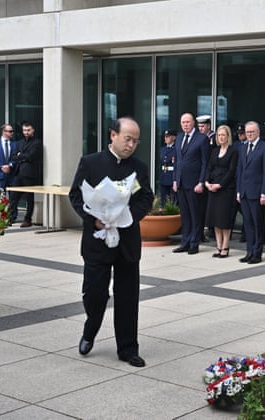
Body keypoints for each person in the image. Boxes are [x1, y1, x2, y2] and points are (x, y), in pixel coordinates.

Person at [68, 116, 154, 367]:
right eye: (128, 139)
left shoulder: (139, 167)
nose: (131, 145)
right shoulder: (90, 163)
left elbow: (145, 198)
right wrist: (92, 218)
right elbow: (75, 195)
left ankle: (128, 348)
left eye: (136, 141)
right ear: (112, 135)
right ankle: (90, 328)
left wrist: (126, 216)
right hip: (97, 241)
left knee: (127, 297)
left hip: (127, 241)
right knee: (94, 294)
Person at [236, 121, 265, 264]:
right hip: (244, 192)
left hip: (257, 193)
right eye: (247, 132)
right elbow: (240, 170)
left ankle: (257, 253)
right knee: (248, 224)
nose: (249, 135)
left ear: (258, 132)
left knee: (258, 224)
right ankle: (249, 251)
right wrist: (239, 191)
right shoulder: (242, 147)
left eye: (252, 132)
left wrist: (264, 192)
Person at [172, 113, 209, 254]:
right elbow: (177, 162)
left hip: (194, 184)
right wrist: (175, 179)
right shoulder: (179, 137)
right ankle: (185, 242)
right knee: (185, 215)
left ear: (193, 123)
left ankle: (194, 243)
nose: (185, 124)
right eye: (183, 122)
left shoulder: (202, 139)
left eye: (188, 122)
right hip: (181, 183)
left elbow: (205, 163)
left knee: (195, 215)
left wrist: (201, 182)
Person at [204, 125, 238, 258]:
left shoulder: (233, 151)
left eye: (223, 135)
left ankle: (225, 246)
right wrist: (207, 182)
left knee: (224, 219)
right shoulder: (214, 151)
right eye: (219, 135)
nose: (221, 137)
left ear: (228, 137)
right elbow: (209, 168)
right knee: (215, 219)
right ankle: (218, 246)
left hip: (225, 189)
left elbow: (231, 171)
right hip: (212, 188)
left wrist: (220, 185)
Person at [9, 121, 43, 227]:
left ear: (33, 130)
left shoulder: (37, 143)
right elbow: (14, 156)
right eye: (24, 130)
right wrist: (22, 156)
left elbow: (31, 156)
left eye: (28, 130)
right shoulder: (20, 142)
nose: (26, 132)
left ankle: (28, 219)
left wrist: (21, 155)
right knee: (13, 196)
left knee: (29, 198)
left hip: (30, 174)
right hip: (18, 172)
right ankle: (11, 217)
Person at [0, 123, 18, 191]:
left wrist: (10, 165)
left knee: (13, 197)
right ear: (3, 132)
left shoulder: (15, 144)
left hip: (11, 174)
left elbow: (16, 157)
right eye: (10, 131)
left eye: (12, 131)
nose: (12, 133)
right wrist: (2, 166)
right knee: (0, 197)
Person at [158, 128, 177, 205]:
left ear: (174, 137)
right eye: (165, 136)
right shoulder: (163, 149)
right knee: (163, 200)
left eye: (168, 136)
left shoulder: (176, 149)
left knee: (172, 200)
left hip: (172, 176)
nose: (166, 138)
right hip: (164, 176)